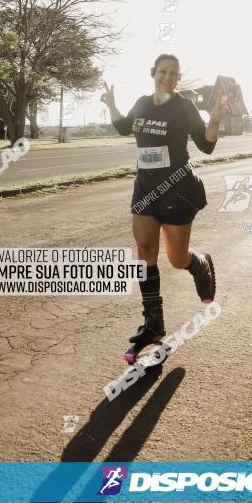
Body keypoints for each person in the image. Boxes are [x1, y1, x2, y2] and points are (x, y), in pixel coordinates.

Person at [100, 53, 231, 363]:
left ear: (178, 77)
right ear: (153, 73)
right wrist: (111, 105)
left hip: (177, 189)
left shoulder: (184, 107)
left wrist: (213, 120)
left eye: (174, 73)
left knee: (176, 258)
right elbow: (122, 127)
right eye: (163, 71)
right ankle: (153, 323)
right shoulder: (143, 104)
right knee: (145, 252)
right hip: (145, 189)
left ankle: (199, 264)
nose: (168, 77)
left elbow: (207, 144)